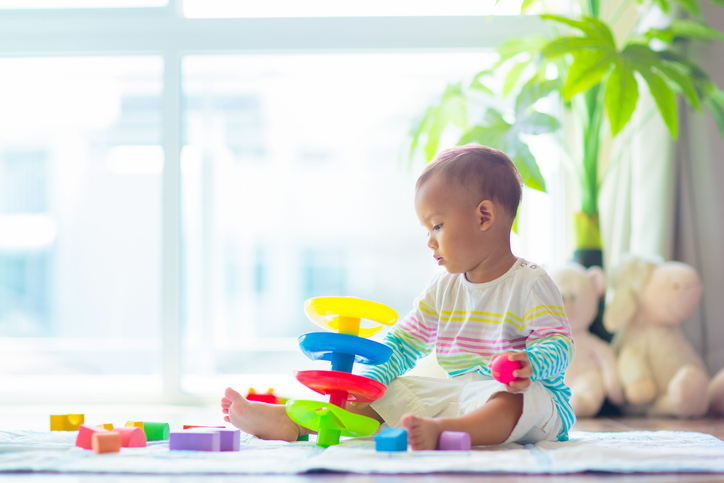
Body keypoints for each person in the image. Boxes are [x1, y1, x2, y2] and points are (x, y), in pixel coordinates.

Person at [221, 144, 575, 449]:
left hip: (529, 401)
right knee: (391, 389)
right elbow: (404, 343)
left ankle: (448, 432)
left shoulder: (529, 284)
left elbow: (559, 347)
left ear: (484, 216)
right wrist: (375, 378)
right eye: (426, 229)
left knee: (515, 399)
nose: (429, 241)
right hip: (458, 394)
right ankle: (295, 422)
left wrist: (528, 364)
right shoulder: (443, 288)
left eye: (437, 225)